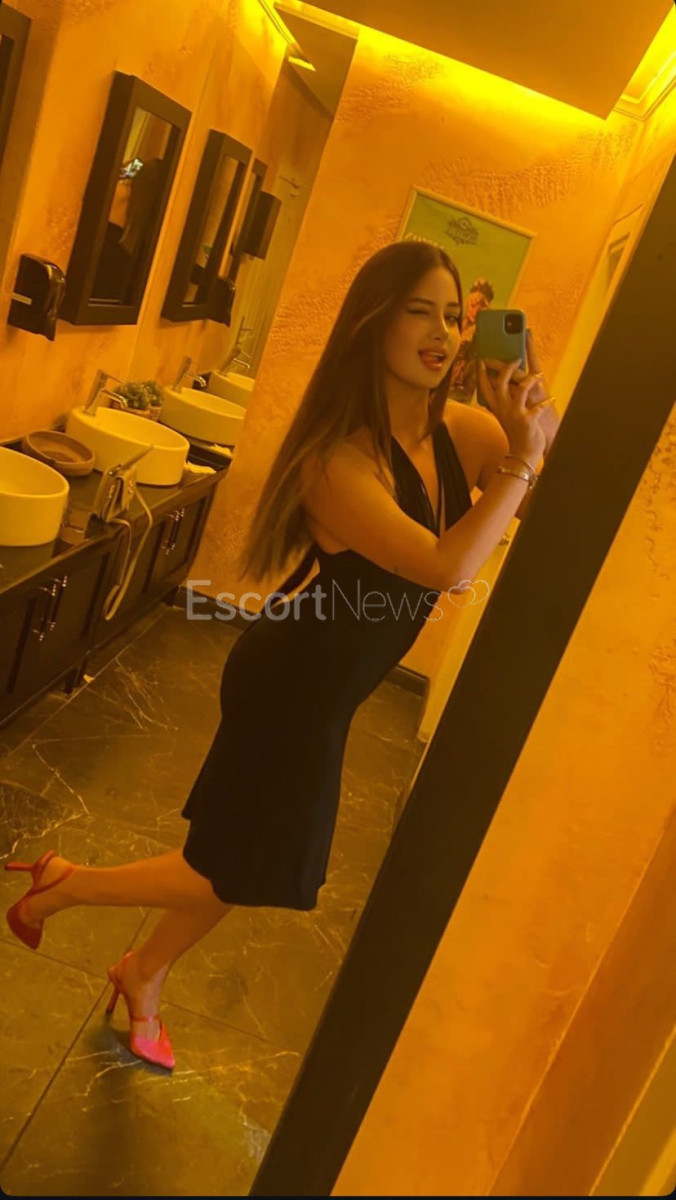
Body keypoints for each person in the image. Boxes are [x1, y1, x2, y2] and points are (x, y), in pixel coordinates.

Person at [4, 241, 558, 1070]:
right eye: (420, 311)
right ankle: (69, 886)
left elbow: (544, 500)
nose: (442, 332)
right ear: (372, 325)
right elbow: (447, 565)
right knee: (246, 867)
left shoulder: (467, 433)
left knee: (240, 862)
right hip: (290, 688)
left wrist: (533, 423)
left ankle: (143, 971)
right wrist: (522, 457)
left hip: (328, 691)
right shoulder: (338, 459)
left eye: (452, 315)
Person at [448, 277, 495, 404]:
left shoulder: (480, 332)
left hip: (462, 385)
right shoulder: (458, 323)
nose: (474, 310)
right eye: (472, 305)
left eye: (480, 307)